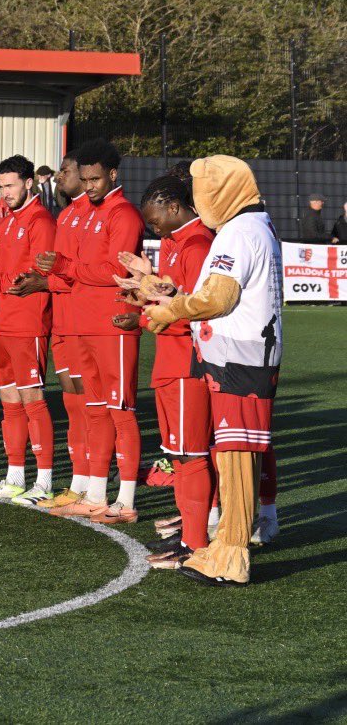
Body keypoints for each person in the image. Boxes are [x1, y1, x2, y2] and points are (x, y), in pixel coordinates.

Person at [143, 156, 283, 586]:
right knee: (237, 456)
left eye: (201, 192)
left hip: (238, 360)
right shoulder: (257, 226)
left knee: (237, 460)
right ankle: (228, 546)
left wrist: (171, 309)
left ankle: (230, 557)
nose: (197, 202)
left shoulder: (238, 233)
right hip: (249, 355)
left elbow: (218, 298)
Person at [38, 139, 145, 523]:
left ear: (113, 175)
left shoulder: (124, 214)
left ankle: (127, 501)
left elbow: (115, 272)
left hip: (113, 325)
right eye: (85, 180)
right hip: (84, 324)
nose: (89, 186)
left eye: (96, 179)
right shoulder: (83, 213)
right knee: (96, 411)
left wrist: (65, 267)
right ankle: (97, 494)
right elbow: (79, 268)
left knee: (121, 411)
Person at [112, 174, 215, 569]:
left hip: (188, 362)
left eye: (155, 221)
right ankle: (190, 536)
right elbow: (172, 298)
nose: (153, 228)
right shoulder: (178, 242)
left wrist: (143, 312)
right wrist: (144, 288)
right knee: (181, 455)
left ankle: (197, 543)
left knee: (192, 455)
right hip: (171, 362)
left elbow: (194, 310)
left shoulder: (197, 244)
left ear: (174, 207)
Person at [6, 152, 91, 509]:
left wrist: (42, 281)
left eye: (66, 171)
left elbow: (62, 273)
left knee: (82, 404)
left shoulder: (44, 220)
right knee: (65, 402)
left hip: (55, 322)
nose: (58, 176)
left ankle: (60, 482)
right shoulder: (57, 216)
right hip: (42, 321)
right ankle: (29, 479)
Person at [0, 155, 57, 504]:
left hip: (28, 322)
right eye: (1, 187)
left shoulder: (41, 220)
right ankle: (14, 477)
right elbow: (2, 270)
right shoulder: (9, 220)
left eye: (10, 185)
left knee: (32, 400)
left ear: (28, 183)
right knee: (9, 401)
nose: (4, 193)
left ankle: (45, 481)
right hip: (4, 321)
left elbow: (35, 276)